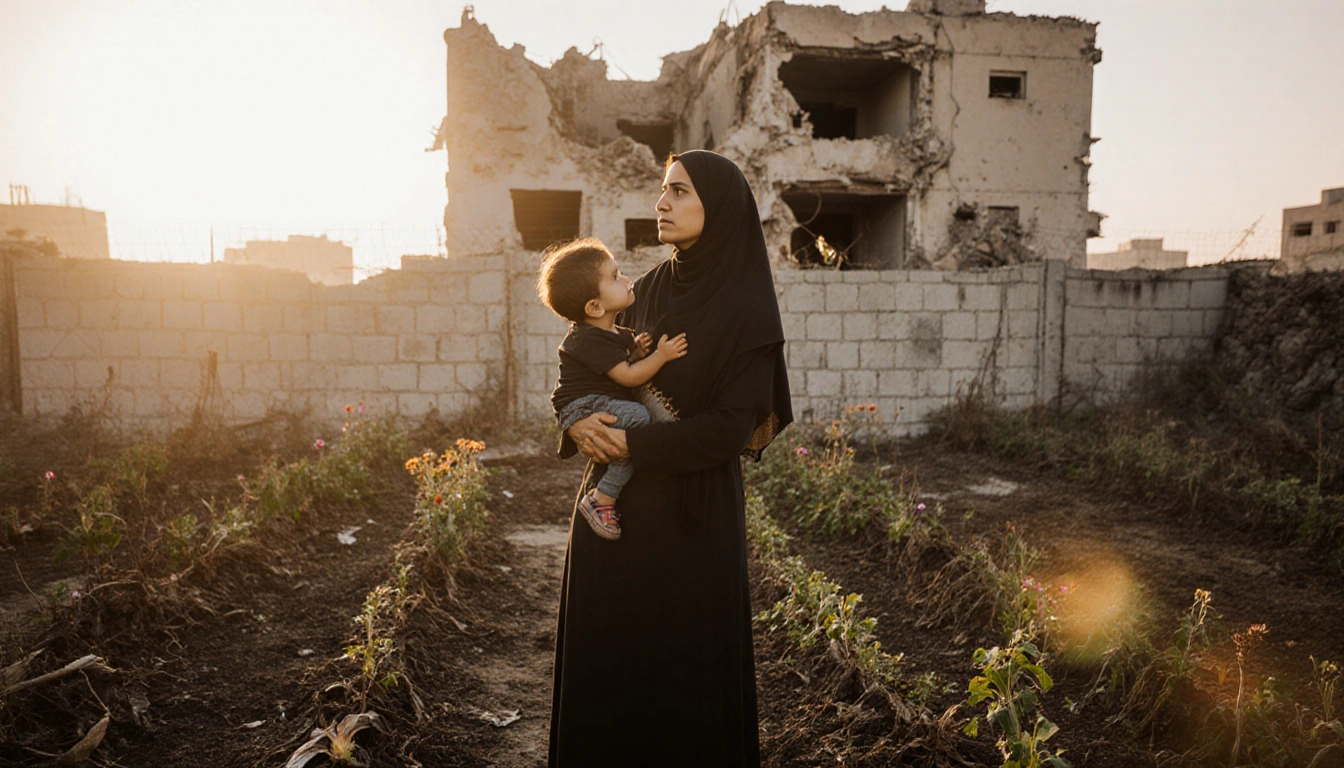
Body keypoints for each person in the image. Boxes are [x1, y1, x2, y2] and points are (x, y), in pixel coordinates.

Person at [547, 150, 793, 767]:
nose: (661, 203)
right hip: (617, 516)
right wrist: (575, 426)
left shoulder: (746, 309)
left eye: (679, 191)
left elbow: (731, 429)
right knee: (611, 674)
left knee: (685, 682)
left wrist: (634, 444)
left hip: (692, 522)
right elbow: (585, 363)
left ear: (722, 206)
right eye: (663, 190)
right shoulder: (648, 289)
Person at [536, 237, 690, 540]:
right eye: (616, 277)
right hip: (583, 406)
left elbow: (616, 366)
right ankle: (603, 497)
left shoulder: (609, 331)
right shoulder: (589, 339)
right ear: (595, 307)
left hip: (595, 400)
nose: (628, 280)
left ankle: (605, 495)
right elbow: (628, 377)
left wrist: (633, 352)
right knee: (638, 419)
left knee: (631, 434)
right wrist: (661, 355)